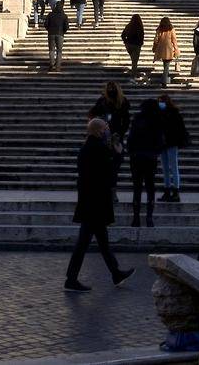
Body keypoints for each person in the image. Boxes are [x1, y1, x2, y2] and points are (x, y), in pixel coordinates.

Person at [64, 120, 135, 292]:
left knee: (101, 242)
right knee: (85, 244)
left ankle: (115, 273)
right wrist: (118, 155)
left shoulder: (89, 148)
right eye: (105, 129)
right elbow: (110, 173)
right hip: (95, 204)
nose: (108, 131)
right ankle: (71, 279)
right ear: (97, 131)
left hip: (91, 202)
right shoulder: (97, 148)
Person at [126, 98, 165, 227]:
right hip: (150, 157)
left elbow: (131, 137)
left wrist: (131, 152)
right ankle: (149, 217)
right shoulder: (157, 121)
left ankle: (136, 218)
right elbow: (160, 140)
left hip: (136, 157)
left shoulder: (137, 119)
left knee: (137, 187)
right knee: (150, 187)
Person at [158, 91, 189, 203]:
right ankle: (168, 191)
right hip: (165, 143)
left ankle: (175, 192)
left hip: (171, 142)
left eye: (162, 102)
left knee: (172, 167)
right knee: (166, 168)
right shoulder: (160, 114)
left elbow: (179, 129)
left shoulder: (174, 113)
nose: (160, 104)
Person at [88, 82, 132, 152]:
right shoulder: (102, 101)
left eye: (113, 88)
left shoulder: (122, 101)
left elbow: (126, 119)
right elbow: (93, 113)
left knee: (116, 152)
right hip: (103, 130)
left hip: (116, 130)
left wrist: (121, 132)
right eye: (109, 88)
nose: (111, 90)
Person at [152, 17, 179, 85]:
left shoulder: (159, 29)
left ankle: (166, 77)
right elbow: (174, 40)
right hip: (169, 49)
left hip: (161, 49)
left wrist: (154, 48)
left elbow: (156, 40)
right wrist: (176, 49)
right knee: (167, 65)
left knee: (165, 64)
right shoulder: (171, 29)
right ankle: (164, 80)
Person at [45, 0, 70, 72]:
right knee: (59, 51)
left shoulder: (50, 14)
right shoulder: (64, 16)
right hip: (60, 34)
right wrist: (63, 32)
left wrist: (49, 30)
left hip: (51, 34)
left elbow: (46, 24)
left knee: (51, 50)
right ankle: (58, 67)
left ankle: (52, 65)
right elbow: (67, 26)